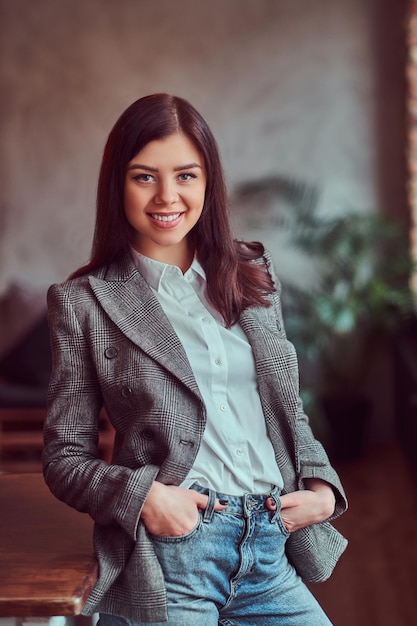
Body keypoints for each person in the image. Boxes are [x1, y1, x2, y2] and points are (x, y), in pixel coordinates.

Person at [42, 93, 348, 626]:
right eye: (144, 177)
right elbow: (65, 456)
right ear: (118, 184)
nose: (167, 195)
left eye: (186, 175)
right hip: (171, 559)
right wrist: (143, 498)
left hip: (270, 552)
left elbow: (285, 410)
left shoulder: (252, 272)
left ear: (209, 183)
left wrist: (321, 487)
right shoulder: (85, 303)